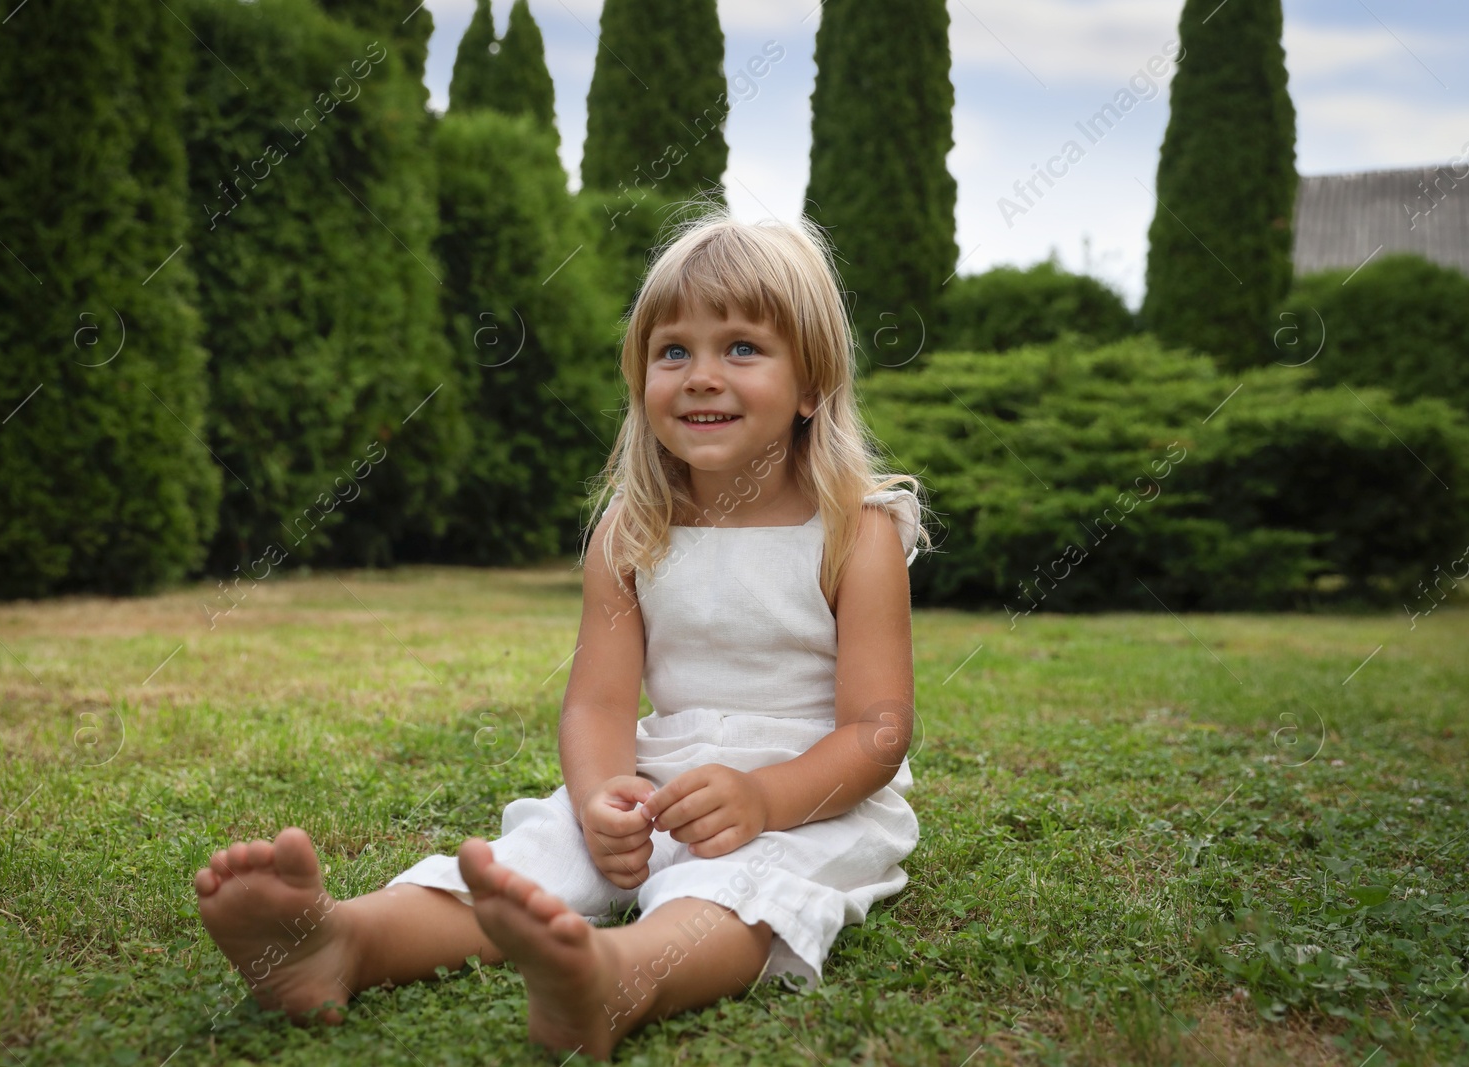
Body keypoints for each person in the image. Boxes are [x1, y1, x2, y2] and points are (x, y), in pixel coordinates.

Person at [192, 204, 933, 1061]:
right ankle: (343, 940)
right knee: (541, 854)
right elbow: (597, 706)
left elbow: (878, 731)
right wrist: (598, 798)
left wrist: (767, 799)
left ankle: (617, 975)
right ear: (641, 377)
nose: (700, 374)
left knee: (739, 890)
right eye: (673, 351)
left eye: (740, 347)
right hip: (663, 778)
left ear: (811, 385)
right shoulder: (632, 530)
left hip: (816, 797)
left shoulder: (856, 529)